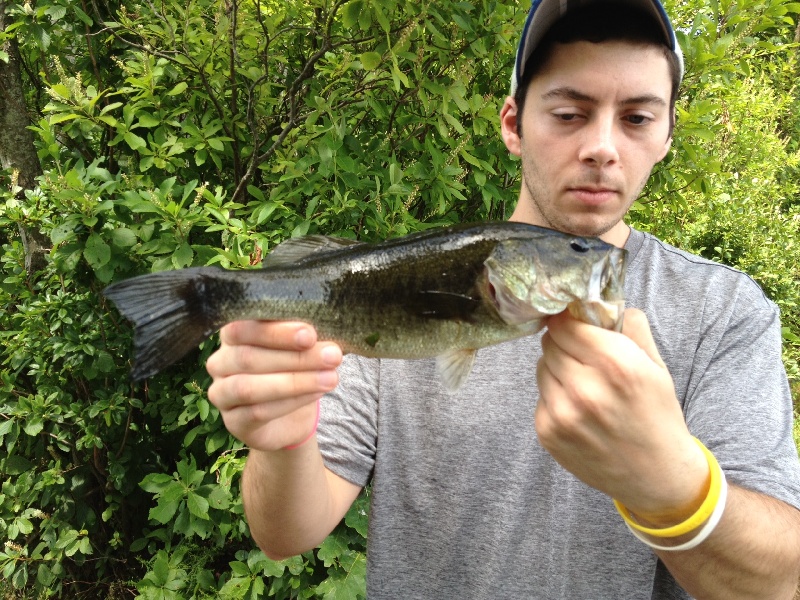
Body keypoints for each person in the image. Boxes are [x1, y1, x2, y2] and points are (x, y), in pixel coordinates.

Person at [206, 0, 800, 597]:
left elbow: (778, 581)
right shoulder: (387, 293)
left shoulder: (725, 312)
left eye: (638, 118)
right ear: (513, 125)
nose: (602, 147)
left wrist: (673, 484)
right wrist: (280, 439)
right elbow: (284, 534)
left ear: (669, 132)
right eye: (569, 113)